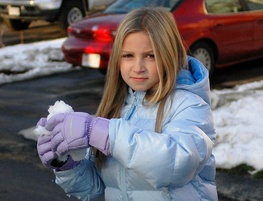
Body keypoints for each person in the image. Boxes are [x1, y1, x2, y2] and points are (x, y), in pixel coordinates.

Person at [36, 7, 218, 201]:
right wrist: (66, 165)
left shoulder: (189, 105)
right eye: (128, 56)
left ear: (169, 55)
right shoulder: (117, 107)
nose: (138, 67)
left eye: (150, 55)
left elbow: (176, 164)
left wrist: (106, 134)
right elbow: (96, 188)